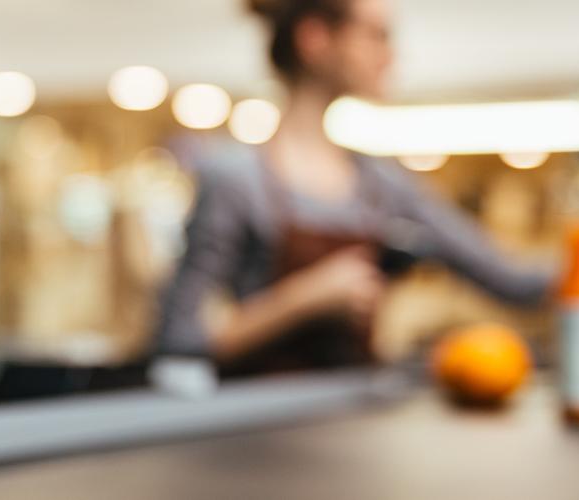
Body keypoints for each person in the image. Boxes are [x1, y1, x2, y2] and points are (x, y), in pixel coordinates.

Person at [156, 0, 554, 378]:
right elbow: (180, 339)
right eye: (376, 36)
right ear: (315, 39)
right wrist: (306, 298)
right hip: (259, 428)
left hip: (355, 416)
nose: (391, 55)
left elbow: (514, 282)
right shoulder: (236, 179)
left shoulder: (382, 184)